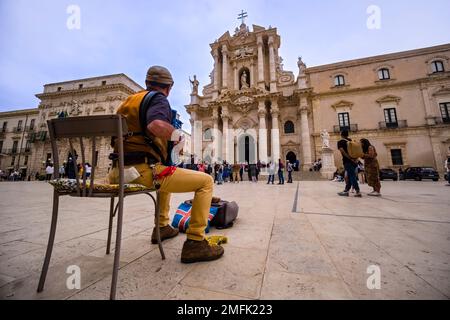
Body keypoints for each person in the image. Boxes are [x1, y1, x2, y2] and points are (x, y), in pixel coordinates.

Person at [108, 65, 224, 263]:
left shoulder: (127, 102)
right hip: (142, 171)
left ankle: (162, 227)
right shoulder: (157, 98)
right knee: (206, 182)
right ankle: (196, 242)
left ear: (146, 83)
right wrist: (177, 136)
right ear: (168, 88)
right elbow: (156, 125)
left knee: (165, 173)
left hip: (116, 173)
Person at [337, 130, 361, 197]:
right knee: (351, 176)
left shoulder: (340, 142)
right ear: (347, 135)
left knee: (352, 176)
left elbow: (342, 151)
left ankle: (357, 191)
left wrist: (350, 158)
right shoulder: (351, 141)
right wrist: (355, 159)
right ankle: (346, 190)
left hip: (347, 161)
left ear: (341, 135)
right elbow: (357, 150)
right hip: (355, 161)